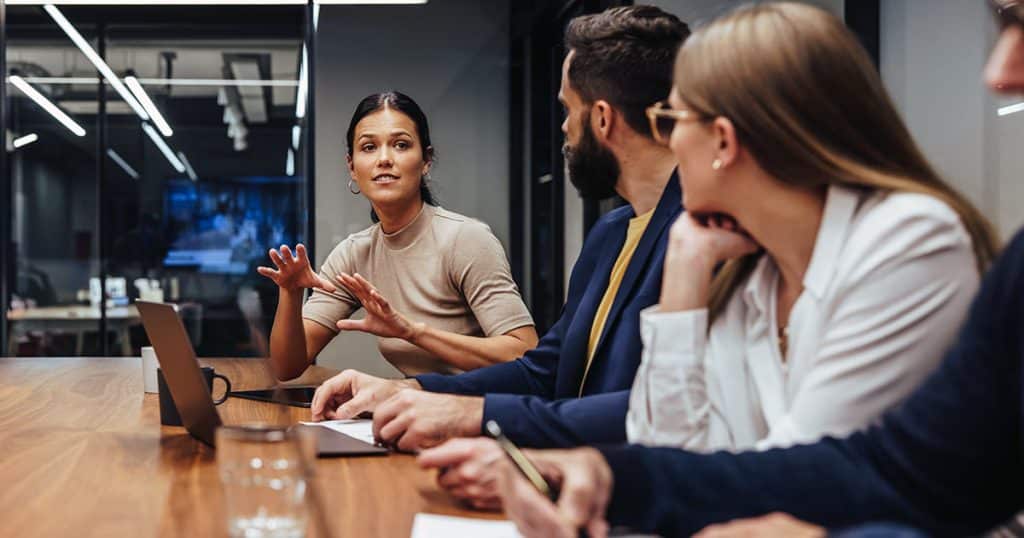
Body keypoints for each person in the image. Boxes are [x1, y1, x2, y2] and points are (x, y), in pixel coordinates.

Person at [449, 2, 1024, 536]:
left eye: (674, 119)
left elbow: (813, 483)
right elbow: (668, 444)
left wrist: (623, 480)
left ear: (721, 141)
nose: (668, 141)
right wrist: (682, 274)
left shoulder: (908, 239)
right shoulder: (747, 263)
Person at [308, 6, 690, 463]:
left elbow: (665, 413)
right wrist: (405, 389)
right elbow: (543, 372)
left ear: (603, 119)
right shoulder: (610, 234)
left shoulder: (704, 237)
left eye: (569, 110)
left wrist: (467, 414)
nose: (564, 129)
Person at [259, 91, 537, 380]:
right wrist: (291, 295)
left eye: (401, 145)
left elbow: (523, 356)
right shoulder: (355, 253)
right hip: (417, 412)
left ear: (426, 160)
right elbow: (286, 367)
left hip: (485, 414)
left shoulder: (466, 240)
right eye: (368, 147)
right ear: (352, 167)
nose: (384, 159)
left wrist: (412, 332)